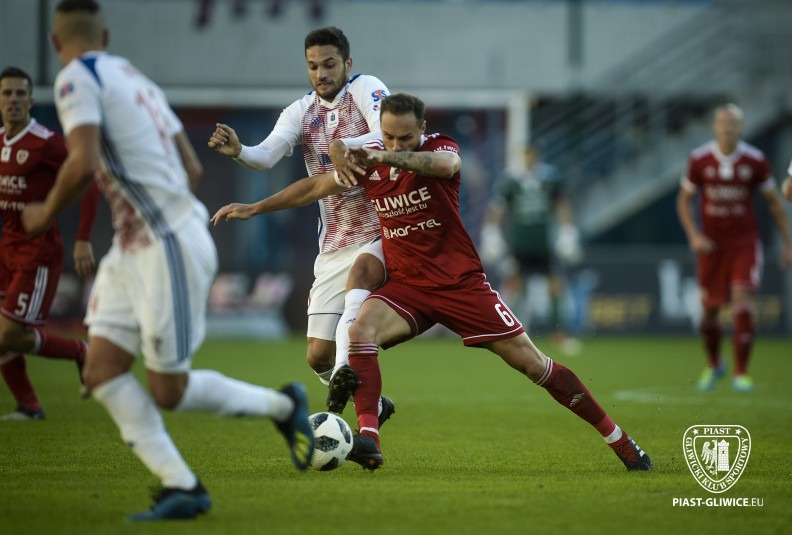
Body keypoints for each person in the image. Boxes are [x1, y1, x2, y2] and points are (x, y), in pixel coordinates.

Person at [213, 93, 653, 472]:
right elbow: (314, 188)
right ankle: (369, 438)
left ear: (422, 129)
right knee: (360, 329)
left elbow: (445, 165)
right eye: (388, 136)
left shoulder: (437, 147)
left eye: (405, 137)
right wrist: (256, 207)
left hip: (461, 285)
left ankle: (620, 440)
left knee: (534, 365)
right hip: (409, 287)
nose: (395, 144)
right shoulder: (370, 158)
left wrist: (384, 156)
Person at [21, 0, 314, 522]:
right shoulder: (135, 79)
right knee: (101, 370)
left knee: (168, 390)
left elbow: (83, 162)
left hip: (166, 244)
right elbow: (192, 167)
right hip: (136, 246)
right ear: (105, 38)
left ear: (54, 43)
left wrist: (44, 213)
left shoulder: (74, 79)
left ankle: (284, 406)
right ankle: (182, 486)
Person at [207, 26, 395, 423]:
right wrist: (240, 151)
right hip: (334, 244)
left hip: (380, 230)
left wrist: (345, 145)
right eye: (313, 66)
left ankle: (351, 395)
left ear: (347, 63)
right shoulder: (299, 112)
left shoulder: (366, 89)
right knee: (316, 355)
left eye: (329, 64)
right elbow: (265, 156)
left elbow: (386, 135)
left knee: (357, 298)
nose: (321, 74)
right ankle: (373, 401)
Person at [0, 65, 99, 420]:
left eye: (20, 93)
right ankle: (28, 406)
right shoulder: (0, 141)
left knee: (7, 336)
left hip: (37, 253)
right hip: (6, 250)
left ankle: (81, 352)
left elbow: (88, 177)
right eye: (7, 93)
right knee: (4, 336)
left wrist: (83, 238)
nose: (13, 99)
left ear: (31, 100)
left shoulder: (46, 142)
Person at [676, 103, 792, 393]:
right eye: (723, 124)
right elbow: (683, 201)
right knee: (710, 312)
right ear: (715, 127)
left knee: (742, 302)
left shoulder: (755, 161)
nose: (728, 129)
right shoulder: (699, 159)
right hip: (711, 246)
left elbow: (775, 204)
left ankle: (741, 372)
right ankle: (715, 363)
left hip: (744, 243)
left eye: (733, 124)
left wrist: (788, 243)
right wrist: (694, 236)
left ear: (741, 128)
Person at [481, 145, 583, 355]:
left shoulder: (550, 178)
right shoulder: (510, 181)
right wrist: (491, 233)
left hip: (544, 243)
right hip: (520, 243)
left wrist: (568, 232)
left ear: (536, 156)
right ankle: (513, 334)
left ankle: (559, 334)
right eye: (525, 156)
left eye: (531, 155)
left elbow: (562, 205)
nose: (529, 159)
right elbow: (497, 209)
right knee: (517, 286)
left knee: (555, 285)